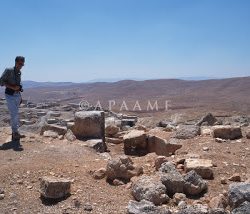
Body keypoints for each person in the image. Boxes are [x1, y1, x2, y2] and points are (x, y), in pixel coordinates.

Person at [0, 56, 25, 140]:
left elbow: (18, 85)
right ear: (16, 62)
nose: (21, 65)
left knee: (16, 114)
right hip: (10, 95)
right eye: (20, 63)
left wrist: (20, 95)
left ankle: (15, 132)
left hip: (17, 95)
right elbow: (1, 81)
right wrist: (12, 87)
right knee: (14, 114)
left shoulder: (19, 72)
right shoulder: (8, 70)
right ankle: (15, 133)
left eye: (22, 64)